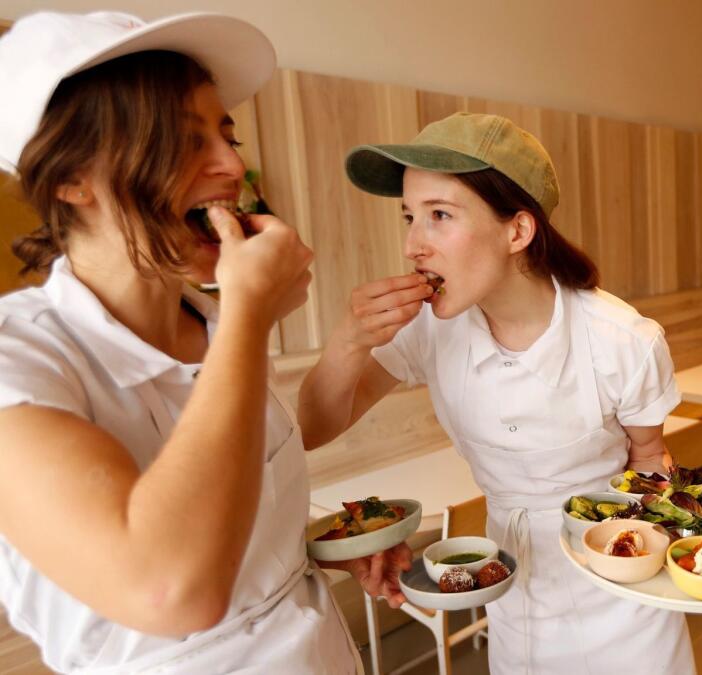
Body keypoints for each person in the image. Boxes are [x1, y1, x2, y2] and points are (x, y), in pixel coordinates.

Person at [0, 11, 403, 673]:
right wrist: (248, 312)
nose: (231, 165)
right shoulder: (19, 362)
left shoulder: (212, 328)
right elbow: (169, 588)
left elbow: (229, 503)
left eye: (227, 134)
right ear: (71, 178)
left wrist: (312, 545)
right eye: (185, 142)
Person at [299, 112, 696, 674]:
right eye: (410, 216)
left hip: (619, 586)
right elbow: (313, 429)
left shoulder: (622, 339)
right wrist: (347, 340)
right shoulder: (430, 328)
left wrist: (664, 547)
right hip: (508, 585)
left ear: (517, 230)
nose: (414, 245)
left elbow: (650, 458)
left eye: (439, 215)